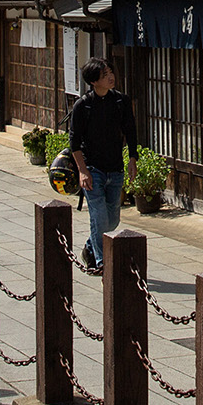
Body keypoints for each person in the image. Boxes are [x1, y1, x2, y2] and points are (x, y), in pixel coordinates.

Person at [65, 58, 138, 271]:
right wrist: (82, 171)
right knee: (98, 215)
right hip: (93, 169)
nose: (110, 77)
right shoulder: (83, 105)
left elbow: (130, 130)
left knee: (112, 220)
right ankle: (101, 262)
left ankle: (90, 247)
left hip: (115, 168)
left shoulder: (121, 102)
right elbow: (74, 141)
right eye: (105, 74)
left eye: (110, 72)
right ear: (94, 80)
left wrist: (132, 158)